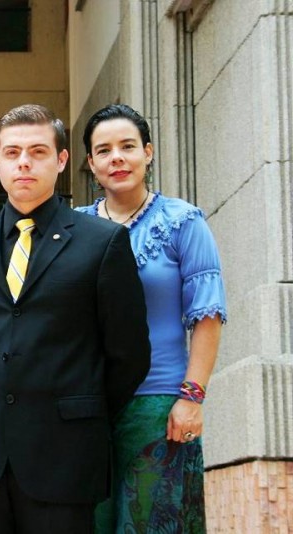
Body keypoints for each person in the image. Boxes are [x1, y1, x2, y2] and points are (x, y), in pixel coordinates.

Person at [0, 103, 151, 533]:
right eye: (12, 153)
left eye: (38, 151)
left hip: (65, 462)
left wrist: (78, 410)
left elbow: (129, 355)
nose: (24, 162)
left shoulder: (103, 244)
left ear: (62, 160)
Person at [77, 103, 227, 533]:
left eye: (127, 146)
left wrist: (192, 398)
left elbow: (208, 316)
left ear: (149, 151)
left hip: (161, 406)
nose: (116, 158)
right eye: (103, 150)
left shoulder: (183, 221)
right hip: (88, 409)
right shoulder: (74, 229)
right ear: (90, 163)